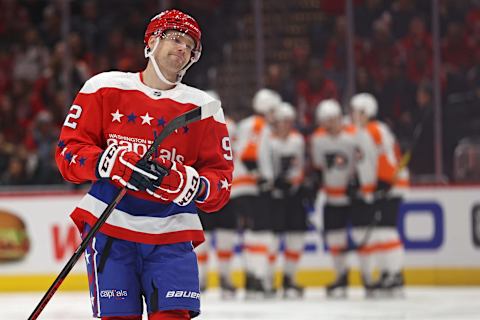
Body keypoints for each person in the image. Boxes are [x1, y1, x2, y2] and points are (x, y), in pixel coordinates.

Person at [55, 9, 233, 320]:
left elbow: (220, 186)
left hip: (172, 233)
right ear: (151, 41)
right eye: (176, 39)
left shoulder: (203, 108)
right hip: (110, 228)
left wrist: (190, 185)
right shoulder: (104, 87)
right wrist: (109, 162)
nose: (183, 49)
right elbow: (68, 154)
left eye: (190, 46)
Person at [350, 93, 405, 298]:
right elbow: (367, 165)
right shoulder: (366, 131)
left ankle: (395, 274)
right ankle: (387, 273)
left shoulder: (375, 130)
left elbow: (386, 158)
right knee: (380, 233)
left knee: (386, 232)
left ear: (366, 111)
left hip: (390, 187)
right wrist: (367, 188)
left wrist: (382, 183)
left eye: (356, 111)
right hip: (382, 187)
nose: (354, 115)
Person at [233, 88, 281, 298]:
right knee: (259, 233)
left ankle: (253, 276)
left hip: (246, 186)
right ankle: (257, 277)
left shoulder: (253, 124)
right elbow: (249, 155)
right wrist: (262, 178)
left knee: (255, 233)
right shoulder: (257, 125)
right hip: (249, 187)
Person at [310, 99, 359, 298]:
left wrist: (358, 184)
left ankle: (369, 276)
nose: (329, 123)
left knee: (363, 236)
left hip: (352, 196)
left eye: (332, 119)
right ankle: (341, 275)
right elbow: (318, 168)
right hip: (331, 197)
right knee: (334, 239)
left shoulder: (352, 138)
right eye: (326, 120)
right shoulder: (318, 140)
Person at [260, 102, 307, 298]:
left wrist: (294, 182)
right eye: (281, 122)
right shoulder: (268, 140)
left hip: (293, 195)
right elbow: (264, 164)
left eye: (288, 122)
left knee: (296, 236)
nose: (284, 125)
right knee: (272, 239)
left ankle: (289, 278)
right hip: (274, 196)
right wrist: (272, 181)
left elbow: (300, 166)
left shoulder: (297, 140)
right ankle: (269, 279)